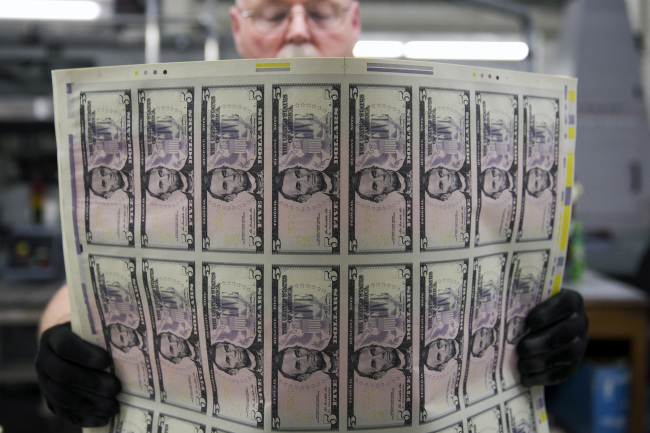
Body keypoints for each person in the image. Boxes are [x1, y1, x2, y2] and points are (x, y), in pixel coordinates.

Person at [35, 0, 589, 427]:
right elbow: (95, 280)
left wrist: (551, 322)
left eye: (321, 12)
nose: (298, 29)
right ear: (238, 25)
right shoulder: (181, 141)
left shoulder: (424, 134)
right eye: (273, 13)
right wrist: (60, 340)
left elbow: (502, 265)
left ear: (352, 21)